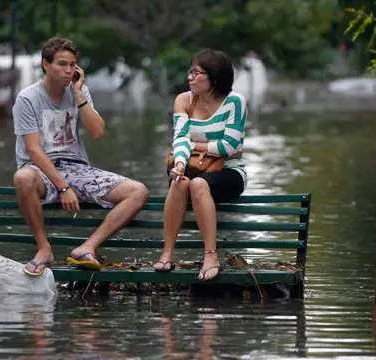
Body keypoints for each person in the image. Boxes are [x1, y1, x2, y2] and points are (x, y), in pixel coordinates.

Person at [13, 36, 149, 276]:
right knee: (22, 178)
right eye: (62, 64)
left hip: (77, 168)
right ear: (46, 64)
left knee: (138, 191)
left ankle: (87, 248)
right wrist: (63, 187)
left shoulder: (80, 91)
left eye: (72, 65)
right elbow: (33, 150)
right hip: (40, 170)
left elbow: (97, 132)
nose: (68, 70)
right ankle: (44, 249)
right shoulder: (28, 98)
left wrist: (78, 94)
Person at [153, 49, 248, 281]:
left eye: (196, 73)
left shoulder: (235, 102)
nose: (190, 78)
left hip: (230, 172)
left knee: (197, 185)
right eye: (190, 72)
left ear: (214, 77)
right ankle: (167, 253)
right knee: (179, 182)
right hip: (190, 166)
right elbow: (180, 139)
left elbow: (229, 146)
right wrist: (179, 163)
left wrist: (194, 145)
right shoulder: (183, 100)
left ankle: (210, 255)